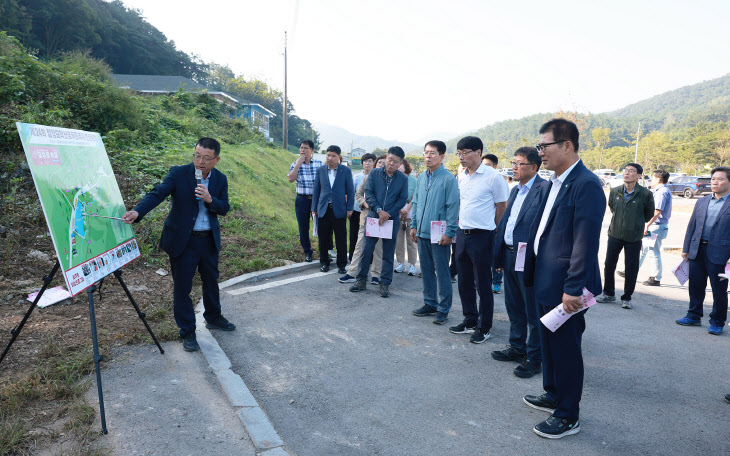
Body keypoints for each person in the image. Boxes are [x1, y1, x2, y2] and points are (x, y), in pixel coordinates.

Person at [521, 119, 605, 439]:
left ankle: (568, 414)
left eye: (545, 146)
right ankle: (553, 393)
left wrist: (573, 288)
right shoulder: (555, 181)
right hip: (546, 278)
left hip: (567, 286)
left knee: (566, 348)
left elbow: (585, 241)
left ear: (567, 146)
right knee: (549, 341)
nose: (540, 151)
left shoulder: (586, 184)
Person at [122, 138, 234, 352]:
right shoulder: (179, 173)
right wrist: (138, 211)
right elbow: (158, 193)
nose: (200, 161)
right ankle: (188, 331)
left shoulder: (220, 179)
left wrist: (211, 200)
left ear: (216, 160)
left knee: (211, 281)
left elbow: (225, 207)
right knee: (183, 287)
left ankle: (213, 316)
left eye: (206, 158)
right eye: (197, 156)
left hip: (208, 240)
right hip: (184, 241)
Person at [492, 147, 549, 378]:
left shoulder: (544, 190)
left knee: (532, 309)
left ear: (534, 167)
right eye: (513, 163)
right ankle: (517, 347)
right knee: (513, 305)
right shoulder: (516, 190)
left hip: (529, 258)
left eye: (519, 164)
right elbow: (505, 223)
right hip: (509, 254)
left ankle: (535, 358)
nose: (513, 167)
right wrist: (498, 256)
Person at [451, 137, 509, 342]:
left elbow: (501, 206)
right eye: (459, 153)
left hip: (483, 236)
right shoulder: (462, 176)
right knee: (464, 281)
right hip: (462, 234)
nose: (461, 157)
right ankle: (470, 320)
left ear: (478, 152)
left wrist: (494, 232)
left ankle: (484, 326)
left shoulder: (493, 177)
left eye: (465, 152)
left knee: (483, 283)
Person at [410, 140, 460, 324]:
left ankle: (443, 308)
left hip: (440, 235)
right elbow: (416, 203)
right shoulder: (422, 177)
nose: (428, 156)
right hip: (422, 232)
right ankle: (430, 303)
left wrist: (450, 232)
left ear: (442, 156)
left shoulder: (448, 179)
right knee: (426, 270)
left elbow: (453, 206)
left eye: (432, 153)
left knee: (442, 272)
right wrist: (413, 225)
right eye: (426, 153)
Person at [675, 167, 730, 335]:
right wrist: (686, 248)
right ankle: (693, 315)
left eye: (720, 179)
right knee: (696, 285)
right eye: (713, 179)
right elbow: (692, 225)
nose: (715, 182)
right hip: (697, 249)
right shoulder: (702, 201)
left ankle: (717, 321)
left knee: (719, 290)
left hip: (721, 253)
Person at [350, 147, 408, 297]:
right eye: (389, 160)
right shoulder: (374, 173)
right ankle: (361, 280)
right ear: (386, 158)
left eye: (395, 162)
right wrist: (378, 210)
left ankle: (385, 283)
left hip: (391, 220)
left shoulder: (403, 179)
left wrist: (388, 214)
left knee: (388, 254)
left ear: (400, 163)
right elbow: (368, 192)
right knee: (366, 250)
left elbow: (402, 199)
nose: (391, 164)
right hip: (374, 217)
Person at [595, 164, 654, 309]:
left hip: (634, 237)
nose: (627, 173)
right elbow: (612, 207)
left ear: (639, 176)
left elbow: (649, 214)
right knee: (609, 264)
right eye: (625, 170)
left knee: (631, 267)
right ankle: (608, 293)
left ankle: (627, 297)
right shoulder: (615, 191)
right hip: (615, 234)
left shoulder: (645, 194)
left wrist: (635, 224)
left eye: (631, 171)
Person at [340, 155, 385, 283]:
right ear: (375, 165)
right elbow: (358, 194)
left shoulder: (390, 181)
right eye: (379, 162)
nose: (381, 165)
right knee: (359, 246)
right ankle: (352, 273)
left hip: (382, 219)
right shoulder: (368, 177)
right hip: (366, 217)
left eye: (384, 163)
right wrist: (364, 203)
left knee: (378, 248)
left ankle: (376, 275)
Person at [311, 145, 354, 273]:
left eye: (333, 156)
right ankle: (324, 262)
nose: (330, 158)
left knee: (341, 238)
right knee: (323, 238)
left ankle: (341, 265)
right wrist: (314, 208)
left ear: (339, 157)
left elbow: (351, 191)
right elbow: (316, 190)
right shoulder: (321, 170)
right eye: (328, 155)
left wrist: (350, 208)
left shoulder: (345, 171)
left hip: (339, 209)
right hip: (323, 209)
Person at [288, 140, 322, 262]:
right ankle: (308, 252)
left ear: (311, 150)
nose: (302, 150)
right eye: (301, 148)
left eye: (305, 148)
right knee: (303, 227)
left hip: (316, 200)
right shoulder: (295, 164)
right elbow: (291, 179)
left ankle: (324, 250)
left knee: (322, 226)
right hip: (302, 200)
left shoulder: (319, 164)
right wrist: (297, 165)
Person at [637, 170, 672, 286]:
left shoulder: (662, 192)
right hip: (655, 226)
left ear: (658, 179)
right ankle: (630, 270)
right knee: (644, 249)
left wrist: (647, 225)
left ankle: (656, 278)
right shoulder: (660, 190)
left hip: (656, 226)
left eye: (652, 178)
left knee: (653, 252)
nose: (650, 180)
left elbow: (657, 211)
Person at [482, 153, 504, 294]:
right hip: (484, 227)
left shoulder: (498, 180)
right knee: (484, 257)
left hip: (495, 226)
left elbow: (502, 206)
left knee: (496, 256)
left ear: (495, 166)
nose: (486, 168)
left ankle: (496, 282)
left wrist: (498, 225)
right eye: (484, 165)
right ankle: (485, 281)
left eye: (489, 165)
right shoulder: (480, 180)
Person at [395, 159, 419, 276]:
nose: (399, 167)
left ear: (405, 166)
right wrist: (400, 209)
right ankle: (401, 263)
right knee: (398, 240)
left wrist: (406, 210)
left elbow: (415, 196)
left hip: (411, 214)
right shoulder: (394, 179)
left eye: (401, 165)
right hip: (396, 214)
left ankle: (413, 265)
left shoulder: (414, 181)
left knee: (411, 241)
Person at [350, 153, 376, 261]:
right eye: (365, 161)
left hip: (371, 211)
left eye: (370, 161)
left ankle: (369, 259)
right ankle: (352, 258)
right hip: (357, 210)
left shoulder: (376, 177)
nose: (367, 163)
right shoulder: (356, 177)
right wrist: (349, 209)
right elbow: (352, 193)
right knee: (354, 235)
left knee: (370, 236)